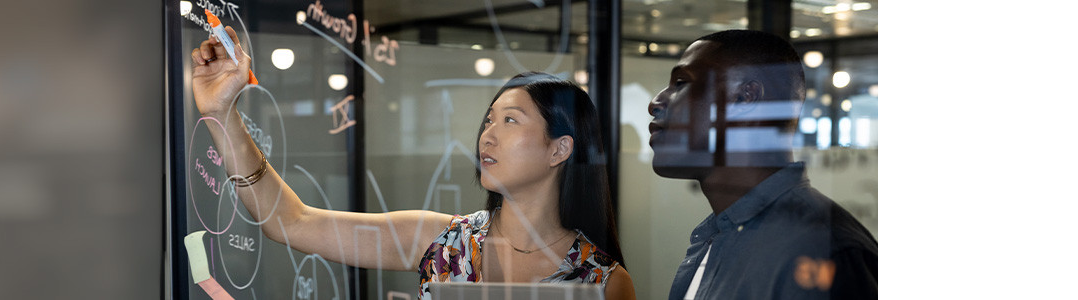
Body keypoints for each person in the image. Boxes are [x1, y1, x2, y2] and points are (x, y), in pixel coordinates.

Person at [190, 26, 634, 300]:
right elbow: (290, 221)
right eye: (488, 119)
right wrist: (222, 113)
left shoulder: (604, 282)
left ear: (560, 149)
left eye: (511, 120)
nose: (488, 134)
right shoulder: (439, 241)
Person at [646, 29, 877, 300]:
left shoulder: (823, 250)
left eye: (682, 83)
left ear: (745, 98)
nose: (655, 103)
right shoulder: (716, 237)